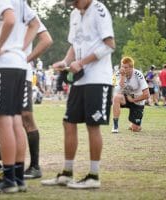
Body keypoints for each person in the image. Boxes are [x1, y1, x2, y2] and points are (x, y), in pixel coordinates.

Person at [41, 0, 115, 189]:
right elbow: (75, 44)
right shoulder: (75, 13)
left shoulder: (99, 10)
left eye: (75, 1)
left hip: (98, 78)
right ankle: (66, 173)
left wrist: (81, 62)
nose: (74, 5)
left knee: (93, 125)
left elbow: (109, 45)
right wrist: (65, 62)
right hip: (80, 80)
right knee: (69, 122)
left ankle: (93, 175)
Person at [0, 0, 39, 194]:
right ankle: (17, 177)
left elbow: (9, 20)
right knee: (16, 121)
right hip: (18, 64)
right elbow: (34, 24)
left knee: (3, 121)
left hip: (4, 65)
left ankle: (8, 179)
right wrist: (20, 48)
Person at [22, 17, 53, 179]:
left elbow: (46, 40)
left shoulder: (27, 11)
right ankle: (10, 166)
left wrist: (25, 58)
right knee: (10, 120)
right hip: (4, 71)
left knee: (24, 118)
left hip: (20, 73)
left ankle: (34, 166)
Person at [112, 57, 149, 133]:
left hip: (137, 100)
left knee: (135, 129)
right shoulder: (118, 74)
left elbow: (147, 95)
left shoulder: (138, 75)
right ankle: (115, 125)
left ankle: (134, 124)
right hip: (125, 98)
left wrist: (134, 100)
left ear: (132, 68)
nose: (123, 69)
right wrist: (122, 77)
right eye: (122, 66)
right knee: (116, 97)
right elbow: (117, 91)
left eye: (126, 67)